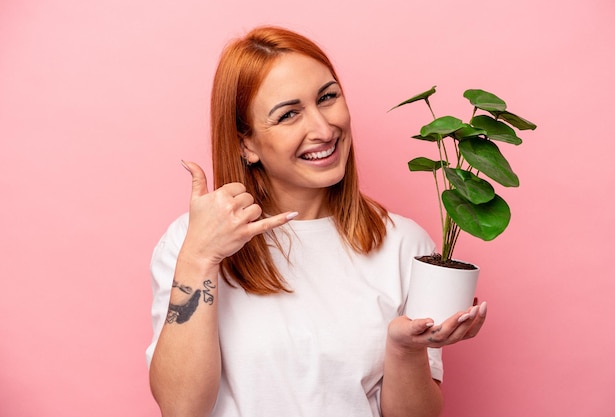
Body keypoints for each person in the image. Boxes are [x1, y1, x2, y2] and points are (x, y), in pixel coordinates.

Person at [146, 25, 487, 417]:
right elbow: (180, 409)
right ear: (247, 144)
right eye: (289, 114)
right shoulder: (189, 243)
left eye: (328, 98)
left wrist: (404, 349)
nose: (324, 130)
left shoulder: (405, 245)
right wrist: (199, 258)